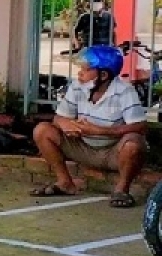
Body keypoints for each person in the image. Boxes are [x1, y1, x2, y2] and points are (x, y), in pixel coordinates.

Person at [31, 45, 147, 208]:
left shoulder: (124, 91)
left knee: (134, 143)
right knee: (42, 130)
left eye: (86, 70)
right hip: (82, 146)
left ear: (104, 75)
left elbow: (140, 127)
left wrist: (100, 131)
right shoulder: (78, 86)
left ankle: (121, 190)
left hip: (112, 152)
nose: (80, 74)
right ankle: (65, 182)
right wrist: (66, 125)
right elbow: (59, 117)